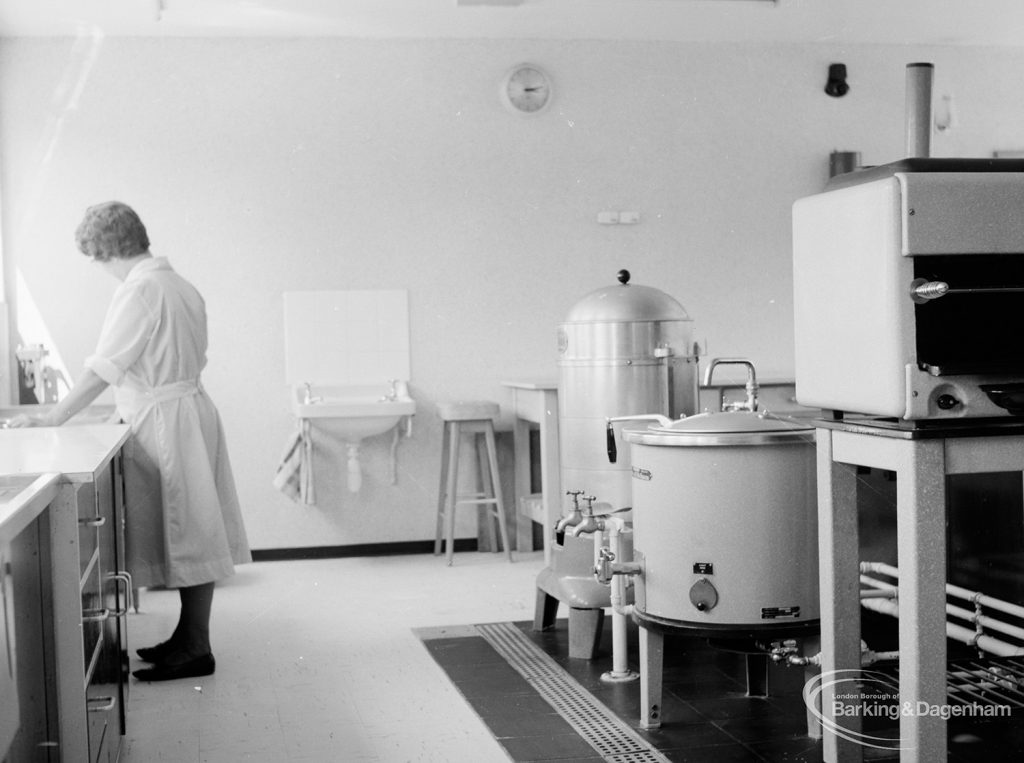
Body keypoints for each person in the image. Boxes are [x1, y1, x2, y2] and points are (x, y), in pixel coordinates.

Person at [10, 201, 251, 681]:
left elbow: (105, 368)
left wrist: (53, 417)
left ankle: (197, 647)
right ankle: (189, 637)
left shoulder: (139, 289)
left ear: (104, 249)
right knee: (194, 528)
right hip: (187, 410)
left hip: (166, 417)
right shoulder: (178, 284)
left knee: (188, 530)